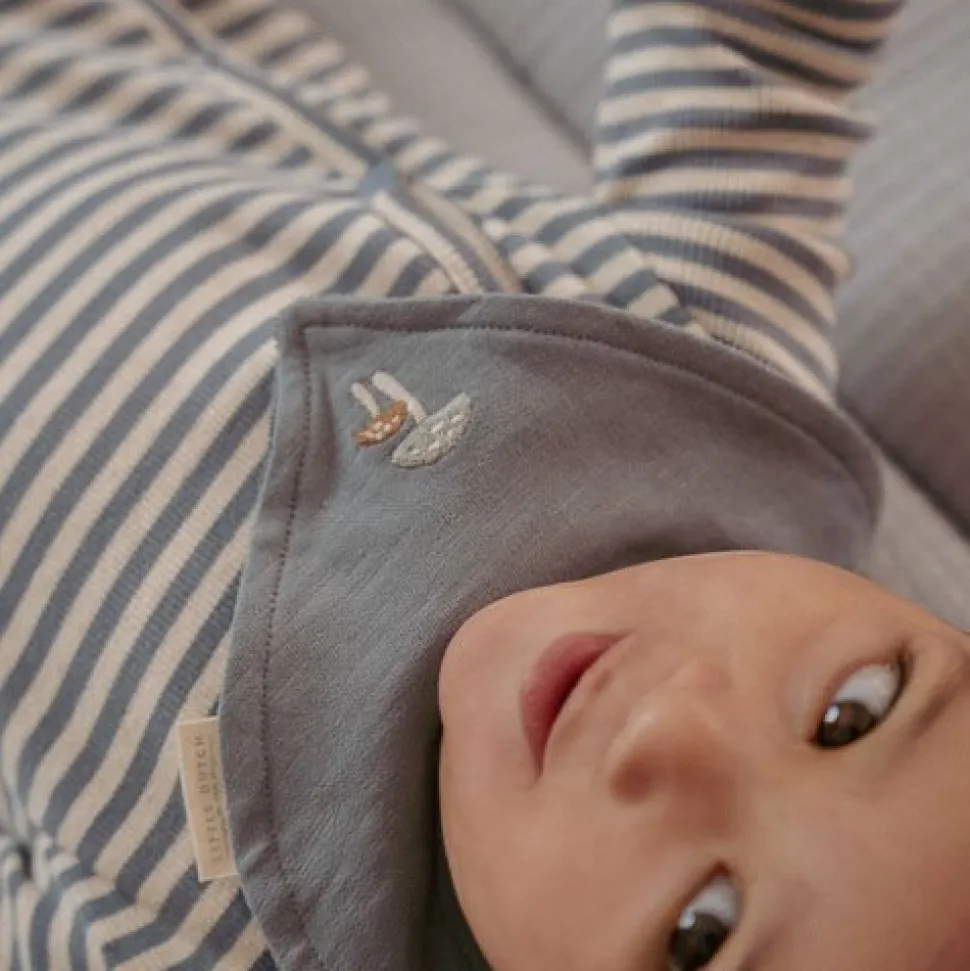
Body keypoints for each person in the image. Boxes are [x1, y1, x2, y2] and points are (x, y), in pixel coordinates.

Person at [0, 0, 965, 968]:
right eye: (855, 707)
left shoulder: (195, 937)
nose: (671, 720)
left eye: (698, 930)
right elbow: (755, 45)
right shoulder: (700, 374)